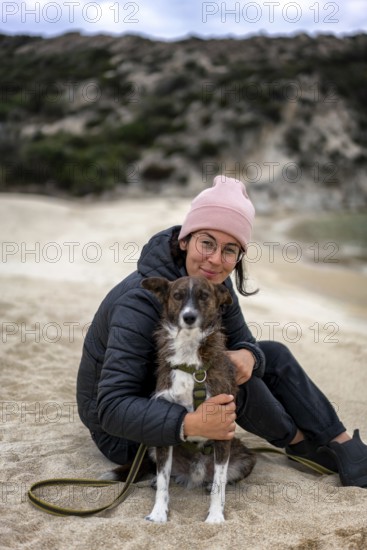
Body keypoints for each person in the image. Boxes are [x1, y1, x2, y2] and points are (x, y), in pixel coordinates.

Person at [76, 175, 367, 488]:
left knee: (271, 354)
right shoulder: (138, 301)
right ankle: (300, 444)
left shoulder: (213, 285)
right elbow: (111, 407)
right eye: (207, 243)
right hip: (124, 437)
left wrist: (250, 355)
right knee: (223, 376)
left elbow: (245, 342)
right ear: (185, 240)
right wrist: (188, 424)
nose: (215, 259)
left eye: (229, 250)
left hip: (178, 387)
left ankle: (341, 443)